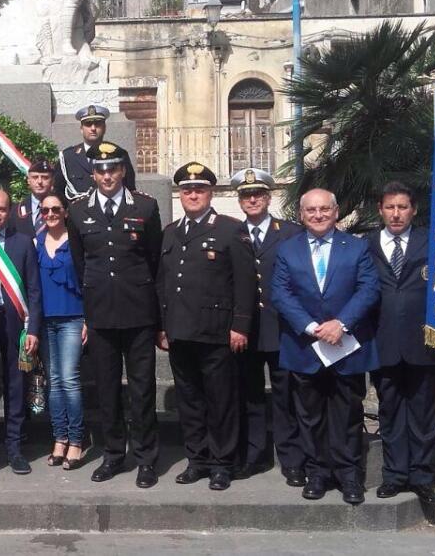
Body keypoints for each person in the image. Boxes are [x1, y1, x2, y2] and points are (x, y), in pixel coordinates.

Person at [270, 188, 380, 506]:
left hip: (345, 345)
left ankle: (349, 476)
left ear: (336, 212)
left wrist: (340, 324)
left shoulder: (357, 247)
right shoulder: (288, 249)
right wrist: (311, 327)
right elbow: (281, 293)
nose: (318, 215)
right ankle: (317, 472)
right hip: (305, 346)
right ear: (301, 215)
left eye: (324, 210)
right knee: (309, 415)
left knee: (347, 413)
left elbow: (368, 289)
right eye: (311, 211)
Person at [66, 142, 161, 488]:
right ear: (93, 173)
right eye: (100, 170)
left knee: (142, 390)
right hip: (101, 315)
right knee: (106, 390)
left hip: (138, 313)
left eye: (113, 169)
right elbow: (81, 264)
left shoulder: (146, 207)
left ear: (123, 171)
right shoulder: (76, 211)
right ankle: (113, 455)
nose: (107, 176)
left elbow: (153, 261)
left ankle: (147, 458)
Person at [156, 163, 256, 491]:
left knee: (221, 401)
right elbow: (163, 284)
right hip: (180, 331)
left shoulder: (230, 229)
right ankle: (197, 459)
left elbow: (245, 284)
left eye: (199, 189)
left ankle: (222, 463)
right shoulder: (170, 232)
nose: (193, 194)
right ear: (180, 194)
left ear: (210, 192)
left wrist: (240, 326)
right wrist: (162, 327)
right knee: (189, 400)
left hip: (217, 332)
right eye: (187, 190)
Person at [229, 168, 308, 485]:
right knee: (249, 395)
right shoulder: (232, 234)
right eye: (246, 196)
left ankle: (291, 460)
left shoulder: (289, 232)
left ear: (268, 197)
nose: (252, 200)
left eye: (258, 194)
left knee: (285, 395)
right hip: (245, 330)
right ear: (239, 201)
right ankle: (254, 456)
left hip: (282, 328)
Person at [368, 181, 435, 505]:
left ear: (414, 210)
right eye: (390, 207)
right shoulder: (366, 244)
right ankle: (395, 475)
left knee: (424, 413)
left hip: (423, 342)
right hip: (382, 343)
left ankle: (423, 476)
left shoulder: (433, 243)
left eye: (402, 207)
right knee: (390, 413)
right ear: (380, 210)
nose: (396, 214)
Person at [0, 189, 42, 475]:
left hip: (15, 321)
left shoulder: (23, 243)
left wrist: (34, 329)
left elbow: (35, 290)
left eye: (1, 209)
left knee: (16, 384)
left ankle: (14, 447)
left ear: (10, 211)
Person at [35, 191, 88, 470]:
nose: (51, 214)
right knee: (53, 382)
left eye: (56, 209)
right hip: (46, 320)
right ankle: (59, 438)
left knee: (69, 379)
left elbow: (88, 279)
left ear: (65, 212)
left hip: (72, 318)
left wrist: (89, 319)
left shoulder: (76, 242)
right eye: (45, 210)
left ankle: (77, 441)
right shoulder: (37, 242)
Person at [55, 105, 136, 201]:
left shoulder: (119, 154)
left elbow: (129, 189)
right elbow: (58, 192)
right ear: (81, 129)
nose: (93, 128)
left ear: (104, 128)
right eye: (88, 124)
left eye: (97, 124)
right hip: (78, 214)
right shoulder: (67, 157)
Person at [10, 158, 57, 236]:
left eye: (45, 177)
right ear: (28, 180)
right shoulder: (15, 210)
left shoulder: (62, 208)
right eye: (35, 177)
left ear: (52, 181)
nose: (39, 182)